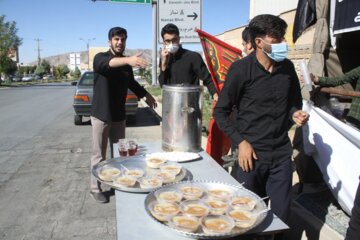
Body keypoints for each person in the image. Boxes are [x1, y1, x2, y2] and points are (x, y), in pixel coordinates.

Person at [213, 14, 309, 223]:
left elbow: (294, 102)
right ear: (258, 42)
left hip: (281, 154)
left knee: (282, 215)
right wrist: (242, 143)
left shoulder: (287, 69)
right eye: (277, 40)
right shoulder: (240, 70)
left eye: (283, 38)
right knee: (248, 216)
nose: (283, 44)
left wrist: (295, 113)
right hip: (251, 157)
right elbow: (220, 112)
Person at [90, 27, 157, 203]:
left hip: (119, 115)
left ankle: (118, 183)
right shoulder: (100, 58)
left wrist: (146, 95)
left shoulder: (126, 65)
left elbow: (132, 83)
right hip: (101, 115)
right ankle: (95, 188)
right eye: (116, 39)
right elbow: (108, 64)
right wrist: (129, 59)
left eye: (123, 39)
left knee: (119, 155)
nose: (120, 42)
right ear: (109, 41)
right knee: (99, 155)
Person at [158, 23, 218, 100]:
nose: (171, 44)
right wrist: (163, 64)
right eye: (168, 41)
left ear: (179, 39)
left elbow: (207, 78)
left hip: (190, 105)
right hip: (171, 105)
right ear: (164, 42)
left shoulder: (193, 57)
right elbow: (162, 85)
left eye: (174, 40)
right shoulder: (164, 59)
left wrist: (215, 94)